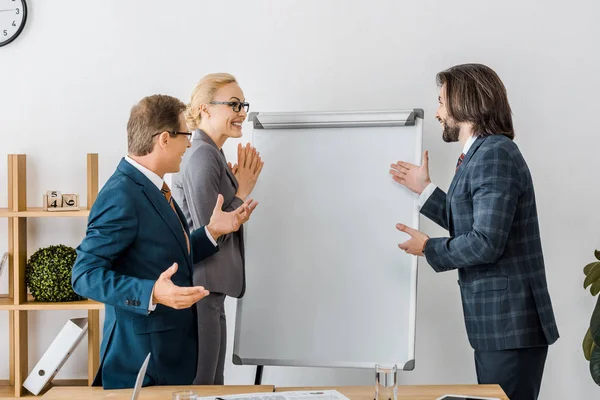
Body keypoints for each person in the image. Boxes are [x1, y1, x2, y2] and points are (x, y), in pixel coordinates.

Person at [389, 63, 559, 400]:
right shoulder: (482, 154)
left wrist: (429, 248)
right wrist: (424, 190)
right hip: (500, 328)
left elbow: (486, 242)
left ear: (465, 102)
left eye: (441, 101)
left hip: (510, 326)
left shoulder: (494, 154)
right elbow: (475, 222)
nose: (438, 112)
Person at [71, 94, 258, 389]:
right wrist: (152, 293)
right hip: (141, 361)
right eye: (186, 134)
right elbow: (84, 275)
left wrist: (213, 232)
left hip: (170, 355)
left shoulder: (154, 187)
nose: (189, 143)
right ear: (164, 139)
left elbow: (166, 255)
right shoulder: (121, 194)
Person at [171, 73, 263, 385]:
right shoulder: (202, 155)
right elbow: (209, 229)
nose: (242, 113)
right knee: (204, 385)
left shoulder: (212, 154)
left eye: (243, 105)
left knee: (213, 382)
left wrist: (236, 187)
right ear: (204, 109)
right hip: (201, 285)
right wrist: (243, 190)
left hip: (211, 288)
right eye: (234, 104)